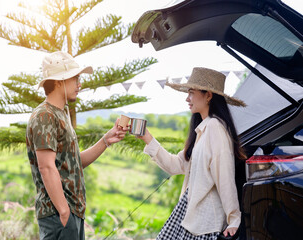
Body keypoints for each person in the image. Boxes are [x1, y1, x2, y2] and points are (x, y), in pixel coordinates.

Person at [26, 51, 127, 240]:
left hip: (70, 213)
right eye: (75, 79)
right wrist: (64, 212)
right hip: (59, 215)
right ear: (58, 81)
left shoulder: (60, 113)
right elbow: (46, 167)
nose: (79, 84)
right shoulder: (45, 115)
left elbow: (73, 162)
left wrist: (106, 140)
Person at [138, 67, 246, 240]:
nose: (187, 98)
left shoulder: (215, 128)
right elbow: (175, 165)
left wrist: (234, 218)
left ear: (208, 95)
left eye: (191, 93)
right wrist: (147, 138)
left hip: (206, 223)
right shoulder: (203, 130)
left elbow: (224, 174)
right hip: (192, 217)